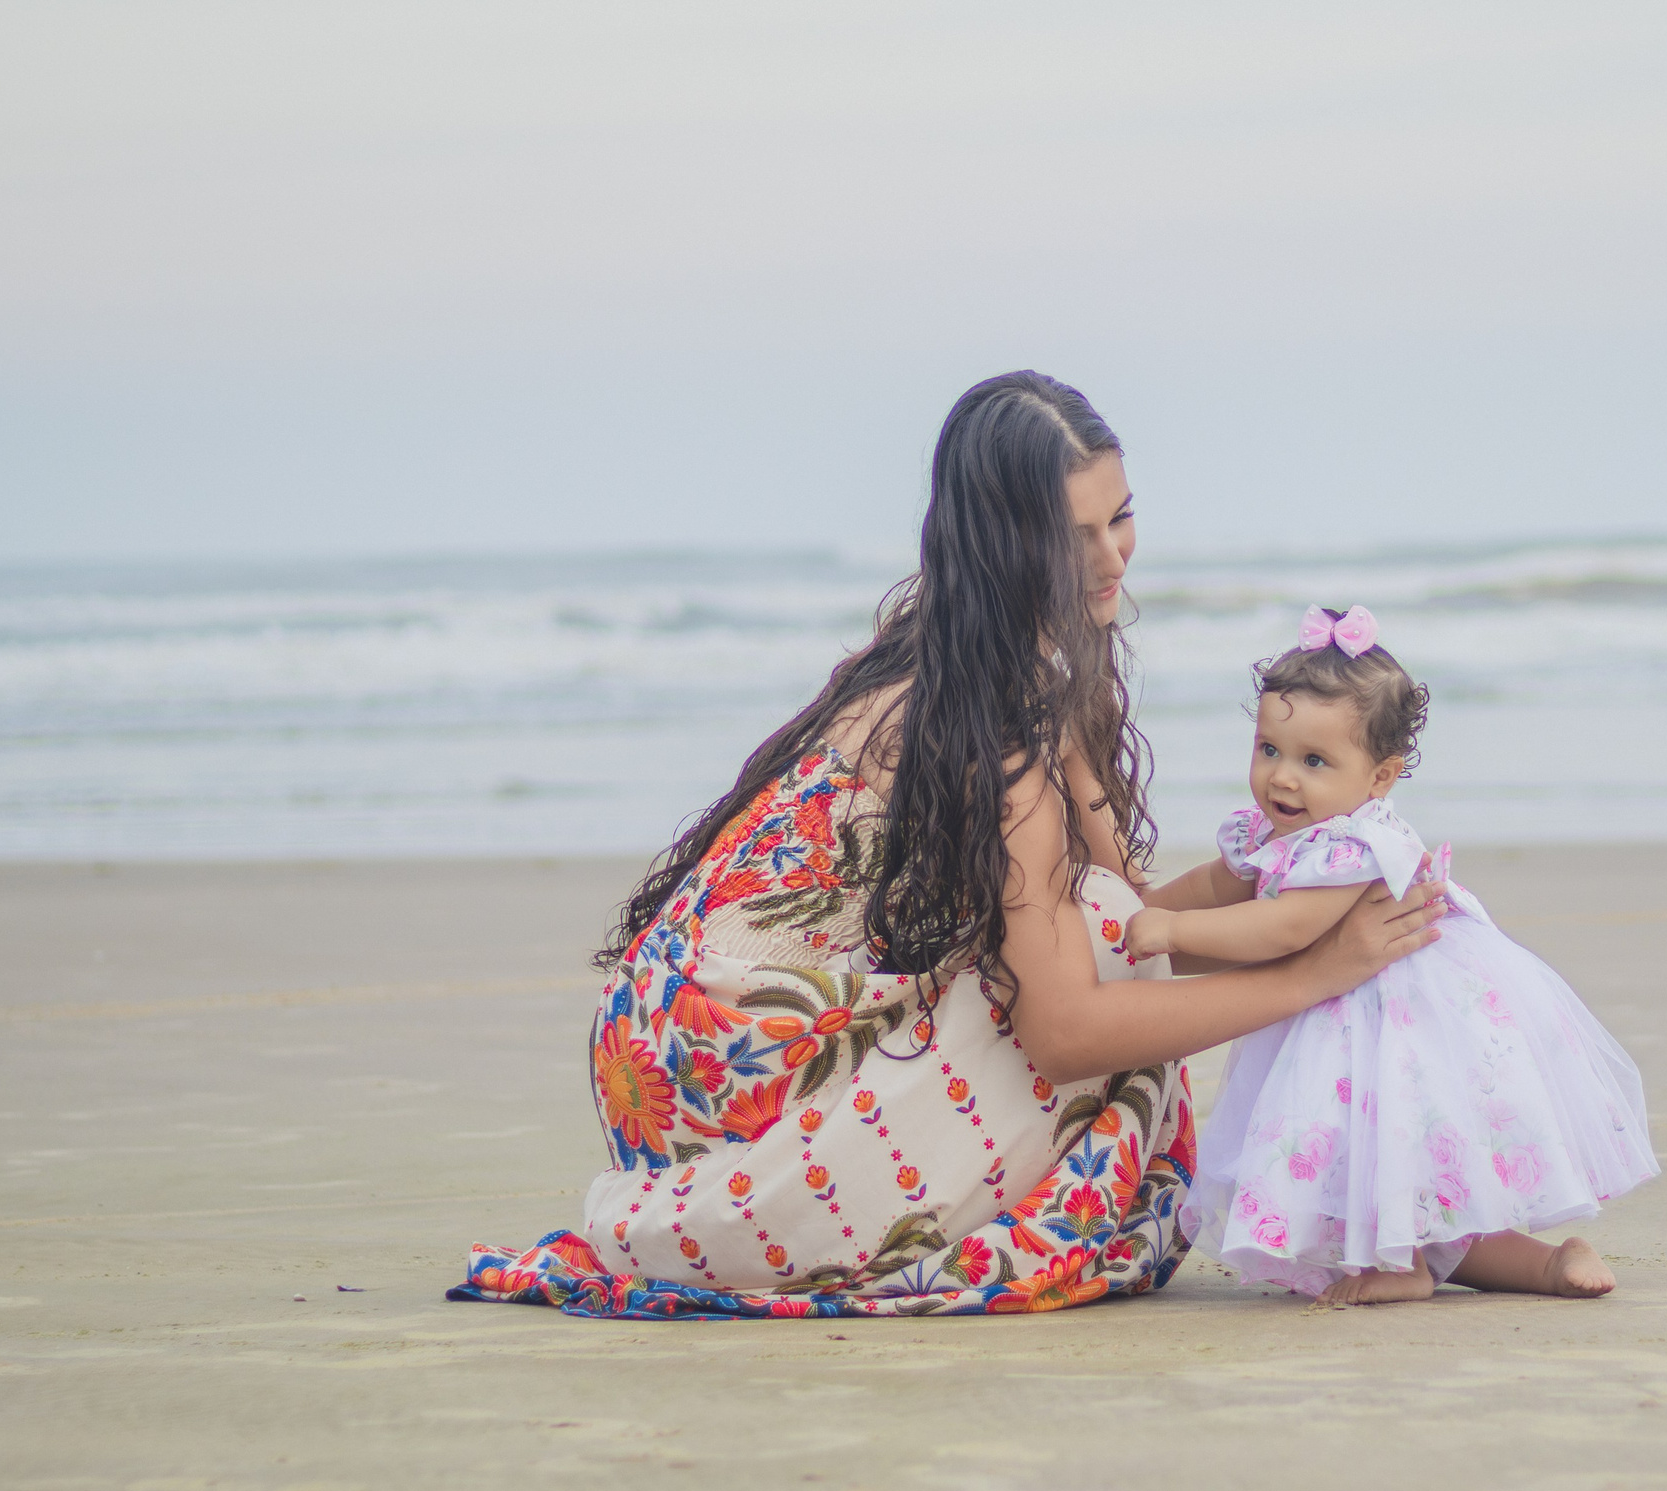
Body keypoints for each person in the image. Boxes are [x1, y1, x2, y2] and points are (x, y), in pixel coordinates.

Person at [453, 375, 1445, 1319]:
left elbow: (1129, 902)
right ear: (1005, 547)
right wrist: (1318, 970)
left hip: (662, 1049)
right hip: (720, 1071)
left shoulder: (957, 660)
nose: (1113, 558)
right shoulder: (994, 724)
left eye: (1121, 517)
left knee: (1096, 925)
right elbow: (1068, 1022)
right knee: (1098, 981)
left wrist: (1156, 810)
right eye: (1076, 536)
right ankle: (790, 1201)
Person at [1124, 606, 1657, 1305]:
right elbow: (1220, 884)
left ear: (1380, 778)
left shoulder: (1354, 846)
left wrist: (1174, 934)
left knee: (1394, 1161)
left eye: (1315, 761)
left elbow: (1282, 929)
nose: (1283, 778)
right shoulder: (1272, 828)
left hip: (1391, 1023)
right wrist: (1150, 906)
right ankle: (1548, 1267)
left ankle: (1410, 1266)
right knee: (1359, 1179)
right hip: (1337, 1014)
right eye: (1269, 750)